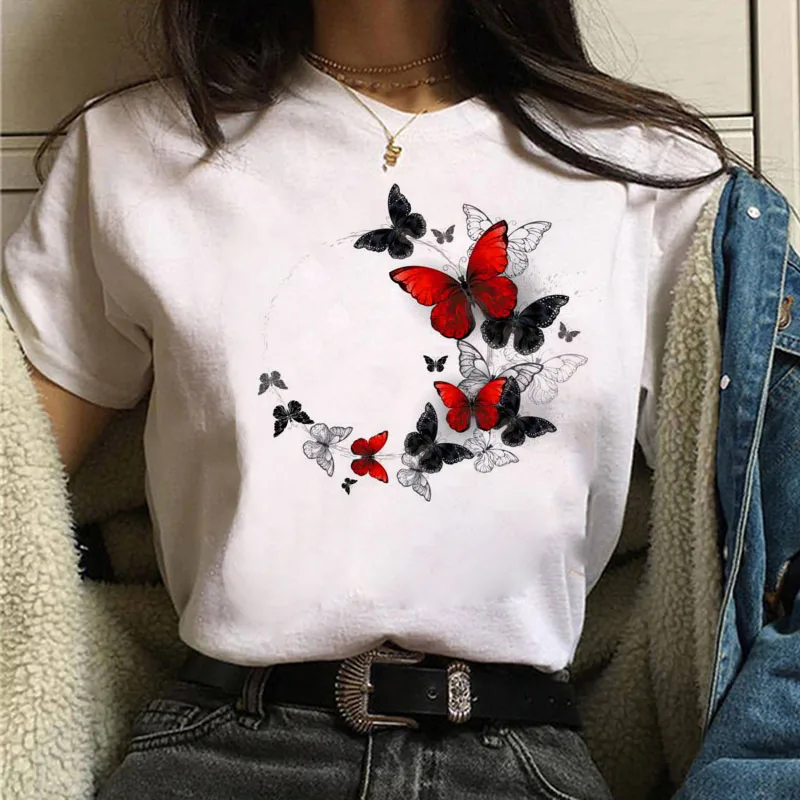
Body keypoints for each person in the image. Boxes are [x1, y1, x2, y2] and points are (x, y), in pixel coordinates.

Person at [0, 1, 747, 798]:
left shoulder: (649, 173)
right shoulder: (135, 149)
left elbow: (757, 537)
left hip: (520, 757)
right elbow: (18, 483)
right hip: (223, 752)